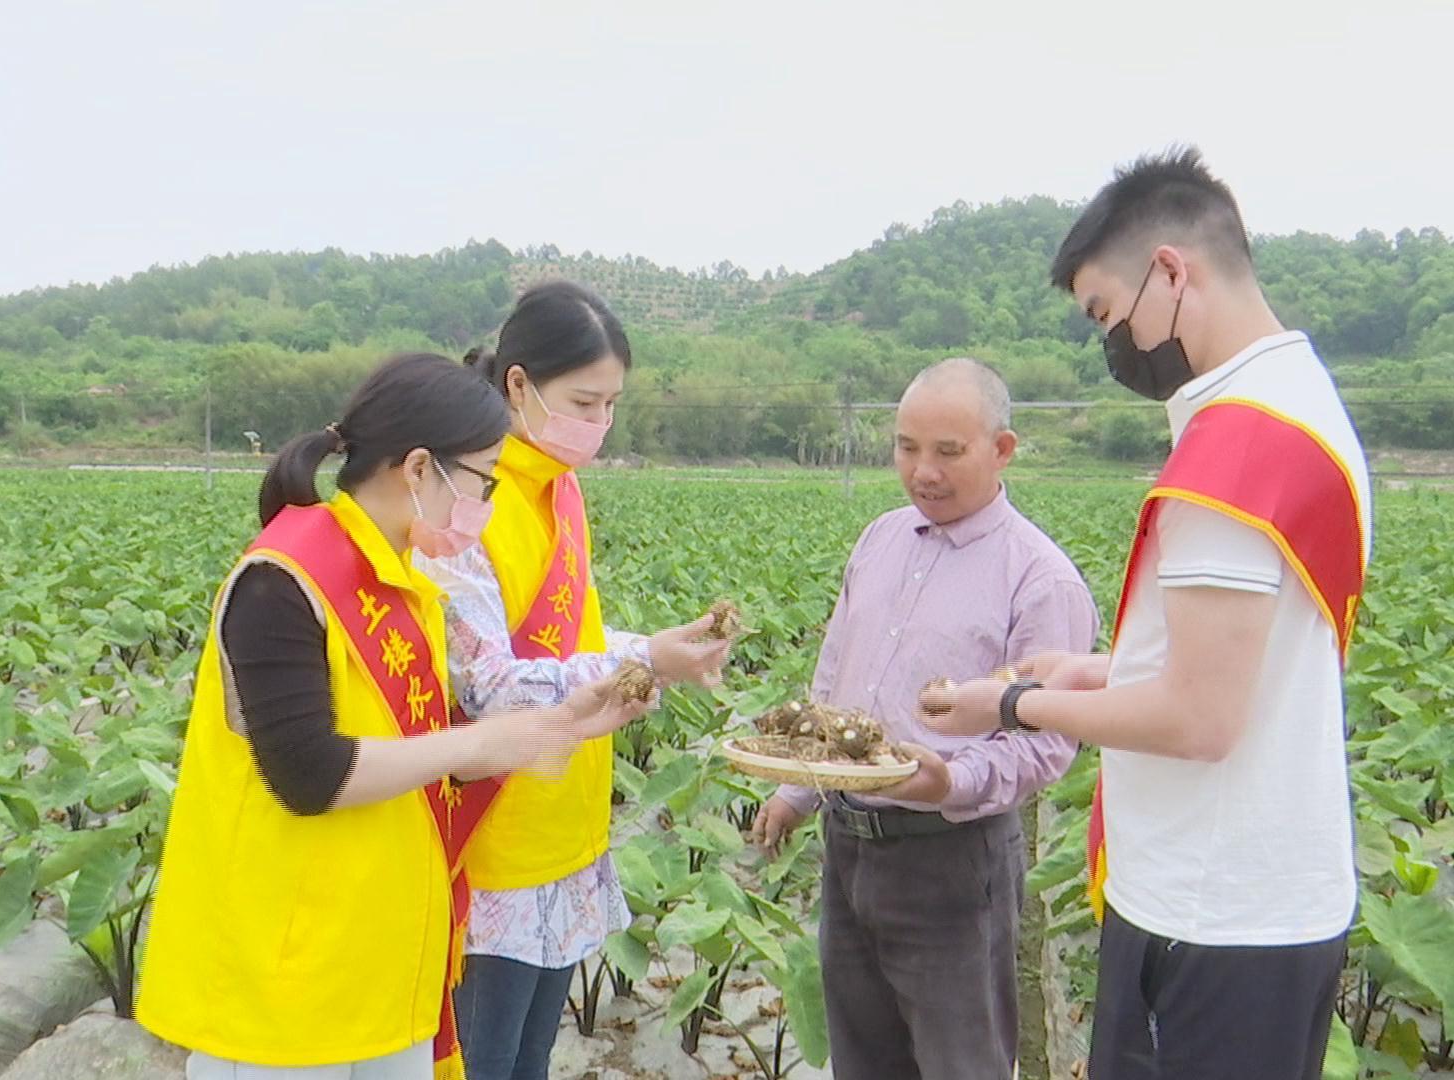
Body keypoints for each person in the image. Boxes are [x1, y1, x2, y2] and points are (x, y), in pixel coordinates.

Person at [921, 148, 1373, 1080]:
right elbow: (1246, 667)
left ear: (1171, 271)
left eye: (1105, 314)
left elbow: (1198, 719)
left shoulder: (1237, 450)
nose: (1111, 344)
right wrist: (1087, 672)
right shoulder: (1303, 402)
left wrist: (1008, 707)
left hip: (1211, 916)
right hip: (1268, 898)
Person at [137, 353, 654, 1080]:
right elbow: (311, 774)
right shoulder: (281, 581)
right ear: (418, 469)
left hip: (386, 964)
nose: (483, 502)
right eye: (480, 479)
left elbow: (432, 746)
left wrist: (565, 722)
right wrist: (481, 740)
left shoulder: (407, 578)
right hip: (287, 983)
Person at [415, 281, 731, 1080]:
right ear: (518, 386)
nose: (599, 424)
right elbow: (490, 685)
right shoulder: (466, 500)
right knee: (479, 1062)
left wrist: (654, 649)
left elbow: (575, 641)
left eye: (611, 404)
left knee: (528, 1061)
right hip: (495, 834)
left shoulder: (560, 487)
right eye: (584, 402)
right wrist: (640, 662)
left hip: (567, 816)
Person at [751, 358, 1098, 1080]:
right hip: (848, 844)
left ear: (1002, 451)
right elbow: (835, 680)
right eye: (907, 447)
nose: (922, 471)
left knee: (959, 1063)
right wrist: (798, 790)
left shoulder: (1039, 579)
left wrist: (948, 779)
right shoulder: (880, 539)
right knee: (863, 1059)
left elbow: (1046, 747)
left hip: (950, 858)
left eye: (948, 452)